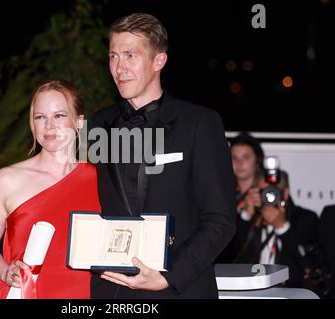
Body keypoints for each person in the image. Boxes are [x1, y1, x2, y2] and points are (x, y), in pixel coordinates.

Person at [89, 13, 236, 298]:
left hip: (179, 289)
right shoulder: (98, 124)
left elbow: (221, 220)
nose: (119, 68)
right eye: (113, 56)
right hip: (112, 292)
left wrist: (169, 277)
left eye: (130, 56)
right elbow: (81, 197)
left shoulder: (199, 123)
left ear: (159, 61)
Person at [0, 79, 101, 299]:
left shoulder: (101, 180)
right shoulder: (7, 180)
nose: (49, 126)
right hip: (24, 293)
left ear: (79, 122)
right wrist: (5, 271)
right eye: (40, 117)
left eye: (59, 115)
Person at [233, 169, 321, 288]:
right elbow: (230, 257)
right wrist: (245, 216)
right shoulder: (251, 220)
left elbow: (309, 265)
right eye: (263, 191)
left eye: (273, 191)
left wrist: (282, 227)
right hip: (250, 290)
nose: (269, 197)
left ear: (285, 193)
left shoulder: (304, 218)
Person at [217, 132, 265, 263]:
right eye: (234, 157)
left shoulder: (270, 191)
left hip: (270, 267)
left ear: (257, 160)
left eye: (246, 157)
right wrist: (244, 215)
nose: (239, 163)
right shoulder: (221, 195)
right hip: (233, 269)